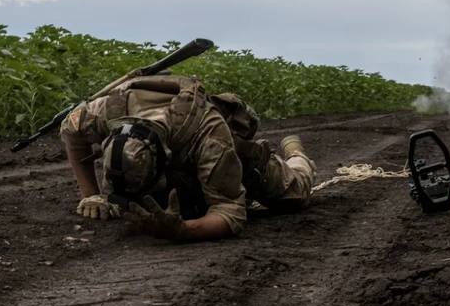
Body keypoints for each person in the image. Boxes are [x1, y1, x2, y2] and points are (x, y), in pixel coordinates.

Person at [59, 73, 316, 242]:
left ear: (163, 159)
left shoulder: (210, 137)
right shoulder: (103, 112)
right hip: (179, 161)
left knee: (294, 196)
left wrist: (183, 231)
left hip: (232, 158)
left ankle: (296, 154)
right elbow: (70, 133)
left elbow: (230, 211)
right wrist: (90, 194)